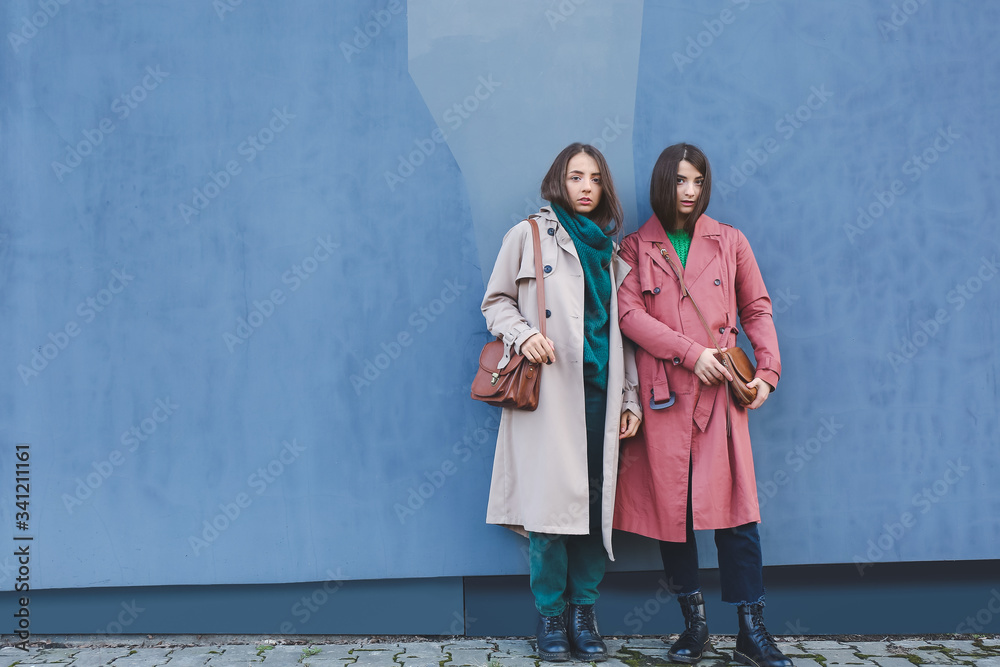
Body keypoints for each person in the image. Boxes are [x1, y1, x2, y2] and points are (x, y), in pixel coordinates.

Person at [613, 143, 792, 667]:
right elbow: (628, 317)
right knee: (676, 516)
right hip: (666, 396)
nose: (689, 192)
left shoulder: (730, 241)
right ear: (662, 184)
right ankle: (694, 627)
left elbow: (757, 309)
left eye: (697, 182)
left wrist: (768, 373)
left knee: (738, 517)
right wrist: (693, 355)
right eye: (680, 182)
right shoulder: (632, 249)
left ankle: (751, 631)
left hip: (721, 400)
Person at [481, 143, 642, 662]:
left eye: (595, 177)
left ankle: (584, 612)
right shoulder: (528, 235)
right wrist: (523, 334)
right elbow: (496, 301)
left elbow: (624, 334)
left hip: (601, 395)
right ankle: (550, 614)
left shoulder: (613, 254)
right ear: (560, 181)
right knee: (549, 513)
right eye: (576, 176)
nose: (586, 186)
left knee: (597, 509)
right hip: (551, 398)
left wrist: (630, 399)